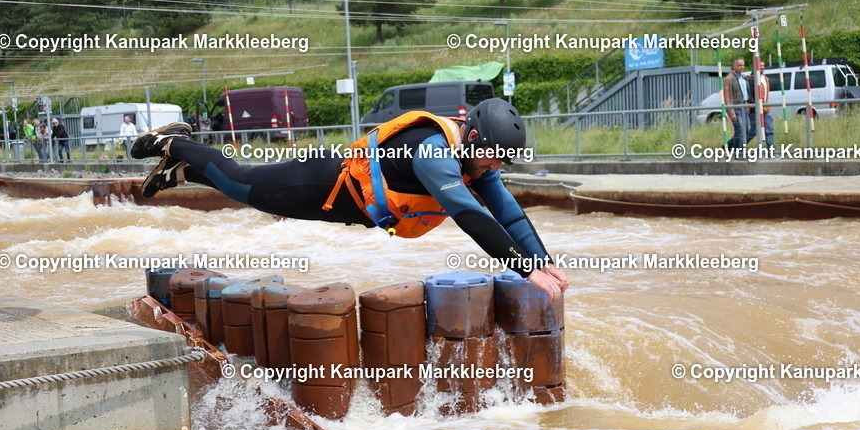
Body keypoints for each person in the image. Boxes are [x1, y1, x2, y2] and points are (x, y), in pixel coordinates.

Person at [131, 98, 570, 303]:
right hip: (320, 183)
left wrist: (543, 260)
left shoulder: (476, 160)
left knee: (244, 193)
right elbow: (472, 218)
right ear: (473, 138)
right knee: (242, 186)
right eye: (493, 159)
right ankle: (175, 141)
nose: (495, 170)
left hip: (346, 206)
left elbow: (508, 213)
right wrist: (526, 269)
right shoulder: (435, 151)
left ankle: (183, 172)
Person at [723, 58, 751, 150]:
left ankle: (727, 146)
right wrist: (731, 113)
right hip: (736, 108)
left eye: (743, 65)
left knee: (746, 130)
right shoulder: (729, 79)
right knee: (740, 130)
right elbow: (727, 98)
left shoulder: (743, 77)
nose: (742, 67)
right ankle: (738, 152)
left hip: (744, 107)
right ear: (733, 66)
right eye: (740, 65)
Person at [745, 72, 774, 149]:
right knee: (754, 130)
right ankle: (738, 146)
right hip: (754, 109)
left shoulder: (765, 78)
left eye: (763, 65)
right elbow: (749, 94)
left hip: (765, 108)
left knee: (769, 129)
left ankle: (771, 150)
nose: (762, 67)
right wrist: (753, 104)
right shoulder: (750, 80)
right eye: (760, 65)